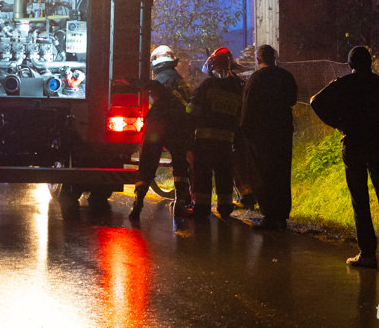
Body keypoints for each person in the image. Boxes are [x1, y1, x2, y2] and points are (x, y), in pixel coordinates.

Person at [310, 46, 379, 268]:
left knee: (360, 200)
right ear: (370, 63)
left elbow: (314, 101)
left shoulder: (343, 85)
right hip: (378, 147)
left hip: (353, 145)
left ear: (350, 65)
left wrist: (337, 123)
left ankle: (367, 254)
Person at [128, 45, 193, 221]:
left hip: (157, 124)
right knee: (180, 163)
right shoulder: (181, 81)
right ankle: (180, 201)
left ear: (155, 64)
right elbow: (189, 106)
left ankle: (138, 201)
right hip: (178, 125)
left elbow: (155, 90)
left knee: (148, 161)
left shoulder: (161, 79)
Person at [239, 44, 298, 230]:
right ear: (274, 58)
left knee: (262, 174)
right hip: (282, 133)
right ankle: (281, 216)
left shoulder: (255, 79)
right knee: (281, 173)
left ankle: (269, 216)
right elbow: (293, 100)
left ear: (258, 60)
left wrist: (244, 131)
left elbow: (247, 108)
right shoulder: (285, 76)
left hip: (260, 136)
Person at [187, 47, 244, 219]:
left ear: (212, 66)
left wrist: (185, 113)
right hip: (226, 141)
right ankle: (225, 206)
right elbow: (239, 114)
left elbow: (193, 110)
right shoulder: (235, 87)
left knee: (203, 174)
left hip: (205, 140)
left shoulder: (207, 85)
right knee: (224, 174)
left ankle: (202, 207)